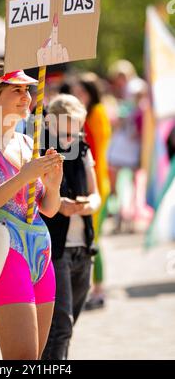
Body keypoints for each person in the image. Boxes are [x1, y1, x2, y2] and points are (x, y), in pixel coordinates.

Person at [0, 63, 63, 360]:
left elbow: (49, 210)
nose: (26, 96)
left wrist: (53, 186)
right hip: (4, 255)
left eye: (27, 89)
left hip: (41, 253)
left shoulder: (28, 143)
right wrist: (24, 176)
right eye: (16, 90)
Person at [41, 94, 101, 359]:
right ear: (49, 125)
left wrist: (89, 204)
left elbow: (96, 194)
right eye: (63, 132)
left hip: (83, 247)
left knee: (68, 323)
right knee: (60, 325)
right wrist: (58, 204)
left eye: (74, 131)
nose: (69, 138)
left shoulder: (83, 149)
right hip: (56, 249)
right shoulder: (40, 151)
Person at [73, 73, 111, 309]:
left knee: (93, 238)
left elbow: (93, 153)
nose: (77, 96)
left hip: (96, 185)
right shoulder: (91, 114)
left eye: (81, 92)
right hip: (94, 183)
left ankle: (98, 289)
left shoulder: (95, 114)